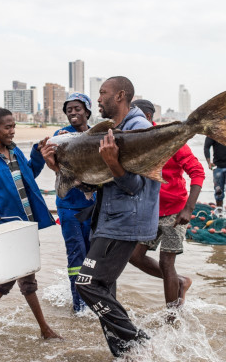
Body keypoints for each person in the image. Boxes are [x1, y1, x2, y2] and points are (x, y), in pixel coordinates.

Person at [74, 77, 160, 357]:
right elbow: (100, 182)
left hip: (125, 221)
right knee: (104, 290)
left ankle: (140, 340)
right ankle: (124, 353)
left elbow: (136, 187)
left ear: (120, 96)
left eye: (102, 93)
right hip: (107, 218)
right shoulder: (113, 129)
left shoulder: (139, 129)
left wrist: (112, 163)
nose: (97, 99)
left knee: (86, 283)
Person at [0, 108, 61, 340]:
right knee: (26, 279)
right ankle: (45, 330)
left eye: (13, 127)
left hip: (27, 224)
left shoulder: (16, 151)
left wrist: (38, 155)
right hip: (6, 226)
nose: (12, 131)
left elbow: (30, 175)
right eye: (7, 127)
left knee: (8, 280)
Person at [128, 99, 204, 319]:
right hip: (150, 210)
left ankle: (172, 317)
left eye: (137, 117)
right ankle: (180, 282)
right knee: (134, 256)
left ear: (149, 118)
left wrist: (189, 209)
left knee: (166, 261)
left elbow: (197, 173)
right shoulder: (134, 141)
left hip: (175, 211)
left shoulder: (171, 140)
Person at [41, 93, 95, 313]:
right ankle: (79, 306)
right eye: (69, 110)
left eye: (77, 108)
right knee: (76, 255)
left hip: (94, 205)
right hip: (68, 205)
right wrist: (54, 152)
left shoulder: (95, 135)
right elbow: (57, 167)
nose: (73, 113)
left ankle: (96, 301)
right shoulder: (60, 136)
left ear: (87, 111)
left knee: (94, 256)